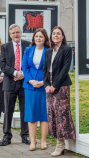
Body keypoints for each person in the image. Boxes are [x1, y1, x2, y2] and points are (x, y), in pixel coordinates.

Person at [43, 26, 76, 156]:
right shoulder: (48, 51)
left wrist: (54, 85)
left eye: (58, 34)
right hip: (49, 85)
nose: (56, 35)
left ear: (62, 37)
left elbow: (65, 69)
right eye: (54, 34)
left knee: (61, 114)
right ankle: (59, 141)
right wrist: (46, 85)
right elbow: (45, 70)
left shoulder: (67, 49)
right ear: (51, 36)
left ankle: (60, 145)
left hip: (61, 85)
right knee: (52, 113)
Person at [0, 24, 31, 146]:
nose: (16, 35)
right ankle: (7, 136)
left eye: (17, 32)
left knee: (25, 110)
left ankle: (25, 135)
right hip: (10, 83)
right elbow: (3, 65)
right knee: (8, 111)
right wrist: (15, 72)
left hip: (25, 82)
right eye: (13, 33)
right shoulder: (5, 47)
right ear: (10, 34)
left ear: (21, 32)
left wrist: (23, 74)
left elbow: (31, 63)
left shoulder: (28, 45)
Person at [22, 28, 51, 151]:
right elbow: (25, 66)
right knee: (31, 114)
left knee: (44, 115)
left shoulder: (49, 51)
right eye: (36, 36)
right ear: (33, 38)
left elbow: (51, 68)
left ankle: (43, 141)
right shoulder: (28, 50)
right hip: (30, 86)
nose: (38, 38)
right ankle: (33, 142)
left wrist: (44, 82)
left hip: (44, 86)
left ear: (45, 39)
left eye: (41, 36)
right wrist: (30, 80)